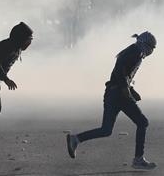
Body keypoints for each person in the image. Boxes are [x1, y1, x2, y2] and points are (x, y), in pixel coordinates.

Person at [65, 31, 157, 171]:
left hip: (112, 93)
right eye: (151, 48)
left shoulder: (133, 51)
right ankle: (138, 159)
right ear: (145, 45)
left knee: (106, 130)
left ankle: (76, 139)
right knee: (142, 122)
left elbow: (122, 73)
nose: (151, 52)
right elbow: (120, 71)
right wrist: (126, 90)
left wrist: (131, 90)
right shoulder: (136, 52)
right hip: (119, 95)